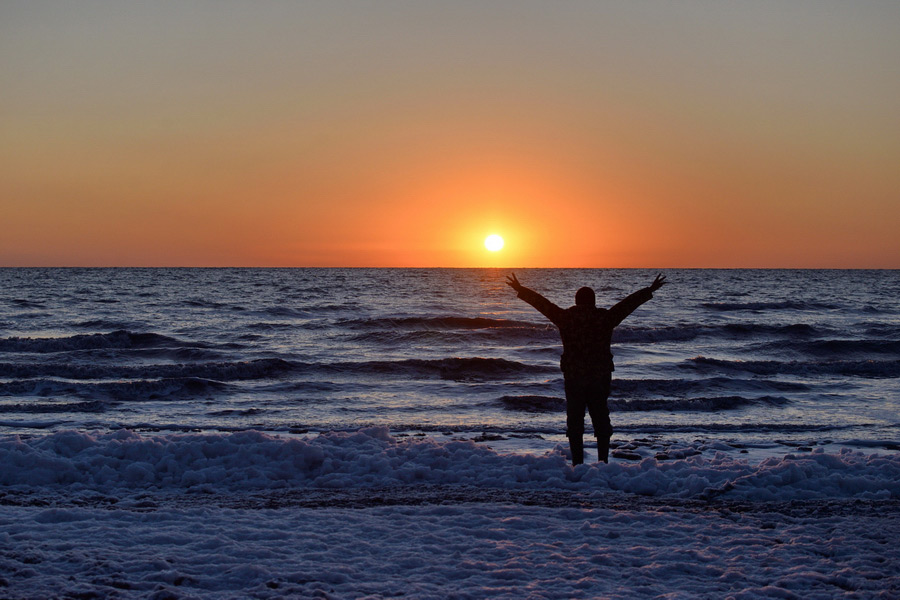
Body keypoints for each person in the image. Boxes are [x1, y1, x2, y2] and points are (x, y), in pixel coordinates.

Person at [506, 272, 667, 465]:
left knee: (575, 419)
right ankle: (603, 461)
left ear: (576, 301)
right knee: (600, 418)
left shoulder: (565, 317)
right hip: (599, 377)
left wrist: (521, 289)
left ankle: (577, 463)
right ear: (593, 301)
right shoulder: (604, 318)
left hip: (574, 377)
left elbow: (543, 304)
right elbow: (626, 306)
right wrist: (648, 290)